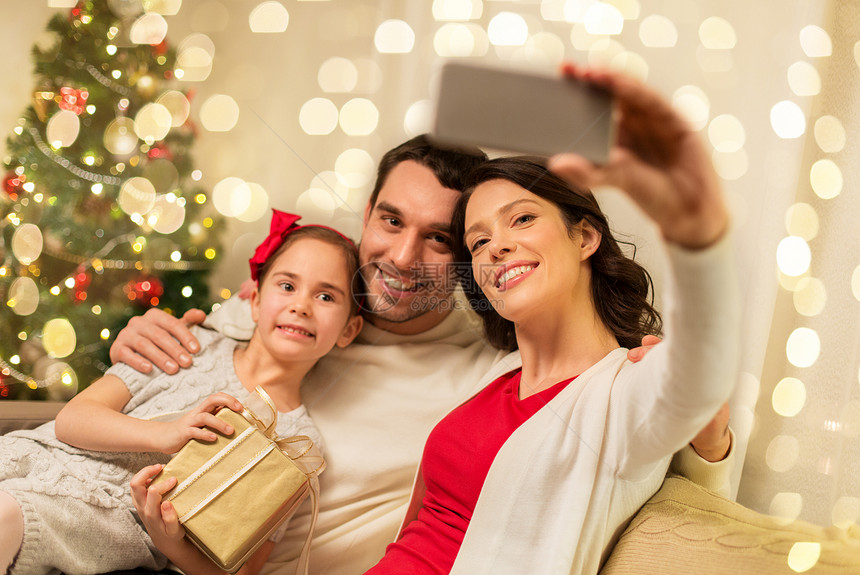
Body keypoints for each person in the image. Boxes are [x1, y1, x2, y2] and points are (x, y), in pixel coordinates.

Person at [113, 130, 735, 573]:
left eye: (440, 238)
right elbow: (172, 367)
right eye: (390, 222)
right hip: (137, 532)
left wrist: (709, 440)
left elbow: (629, 426)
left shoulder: (492, 367)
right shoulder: (293, 312)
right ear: (365, 216)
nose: (404, 258)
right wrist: (142, 339)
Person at [364, 65, 739, 574]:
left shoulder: (622, 395)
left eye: (521, 218)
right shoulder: (496, 373)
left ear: (584, 237)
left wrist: (694, 228)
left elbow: (698, 374)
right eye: (477, 241)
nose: (496, 245)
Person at [0, 211, 363, 575]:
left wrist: (169, 541)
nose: (301, 305)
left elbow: (243, 568)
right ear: (253, 299)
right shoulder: (186, 344)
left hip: (99, 519)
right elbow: (71, 420)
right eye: (287, 286)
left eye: (326, 296)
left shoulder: (299, 445)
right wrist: (166, 433)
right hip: (34, 456)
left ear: (349, 329)